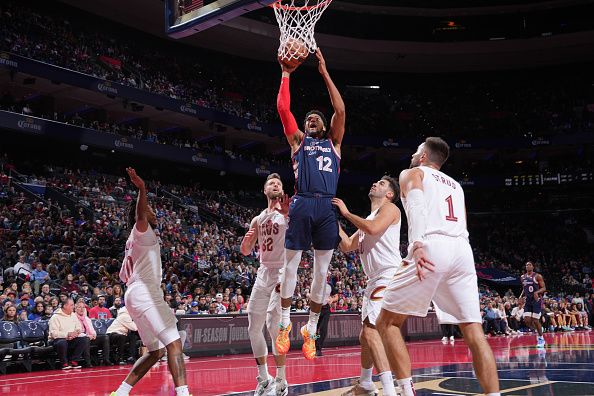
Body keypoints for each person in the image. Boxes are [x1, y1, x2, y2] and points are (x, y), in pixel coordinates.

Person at [376, 137, 500, 396]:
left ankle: (405, 392)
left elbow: (419, 206)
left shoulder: (412, 172)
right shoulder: (456, 185)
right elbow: (463, 222)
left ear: (423, 156)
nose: (412, 153)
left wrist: (418, 244)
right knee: (474, 331)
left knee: (387, 323)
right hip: (462, 250)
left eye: (415, 149)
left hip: (432, 244)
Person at [275, 47, 346, 361]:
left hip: (326, 207)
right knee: (289, 268)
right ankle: (285, 324)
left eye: (317, 118)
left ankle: (311, 329)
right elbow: (283, 110)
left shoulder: (335, 143)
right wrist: (286, 74)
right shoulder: (297, 142)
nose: (312, 120)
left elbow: (341, 111)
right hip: (302, 203)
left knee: (321, 274)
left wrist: (325, 73)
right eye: (308, 119)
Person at [110, 168, 190, 396]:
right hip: (145, 292)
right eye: (150, 209)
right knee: (174, 343)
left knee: (154, 351)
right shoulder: (141, 231)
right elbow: (140, 216)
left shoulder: (132, 241)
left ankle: (121, 392)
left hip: (133, 294)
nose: (154, 212)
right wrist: (142, 189)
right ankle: (184, 394)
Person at [333, 176, 402, 396]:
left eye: (382, 184)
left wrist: (345, 213)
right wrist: (331, 221)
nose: (375, 183)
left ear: (390, 194)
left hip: (388, 275)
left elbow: (372, 229)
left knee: (371, 332)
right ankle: (365, 384)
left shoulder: (390, 209)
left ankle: (389, 391)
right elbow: (346, 246)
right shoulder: (369, 218)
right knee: (365, 336)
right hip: (374, 279)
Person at [240, 173, 290, 396]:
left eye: (279, 183)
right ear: (265, 190)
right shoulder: (258, 219)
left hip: (282, 271)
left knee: (273, 325)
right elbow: (245, 251)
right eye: (271, 183)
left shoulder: (287, 213)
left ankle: (281, 379)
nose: (276, 185)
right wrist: (246, 242)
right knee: (253, 324)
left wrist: (289, 215)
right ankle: (263, 378)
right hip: (263, 271)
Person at [48, 298, 88, 370]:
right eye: (72, 305)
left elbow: (79, 327)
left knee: (84, 339)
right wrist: (67, 335)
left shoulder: (73, 315)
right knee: (62, 342)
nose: (73, 307)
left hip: (71, 338)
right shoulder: (55, 317)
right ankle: (64, 363)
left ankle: (74, 361)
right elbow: (54, 334)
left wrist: (75, 333)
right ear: (65, 306)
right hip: (57, 340)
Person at [519, 261, 546, 348]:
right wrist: (520, 296)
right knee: (526, 320)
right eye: (526, 265)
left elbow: (544, 288)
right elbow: (524, 288)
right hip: (528, 300)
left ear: (533, 267)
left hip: (536, 300)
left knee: (535, 320)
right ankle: (538, 329)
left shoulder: (537, 276)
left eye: (530, 264)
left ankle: (541, 338)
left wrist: (537, 292)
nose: (528, 266)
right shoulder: (522, 277)